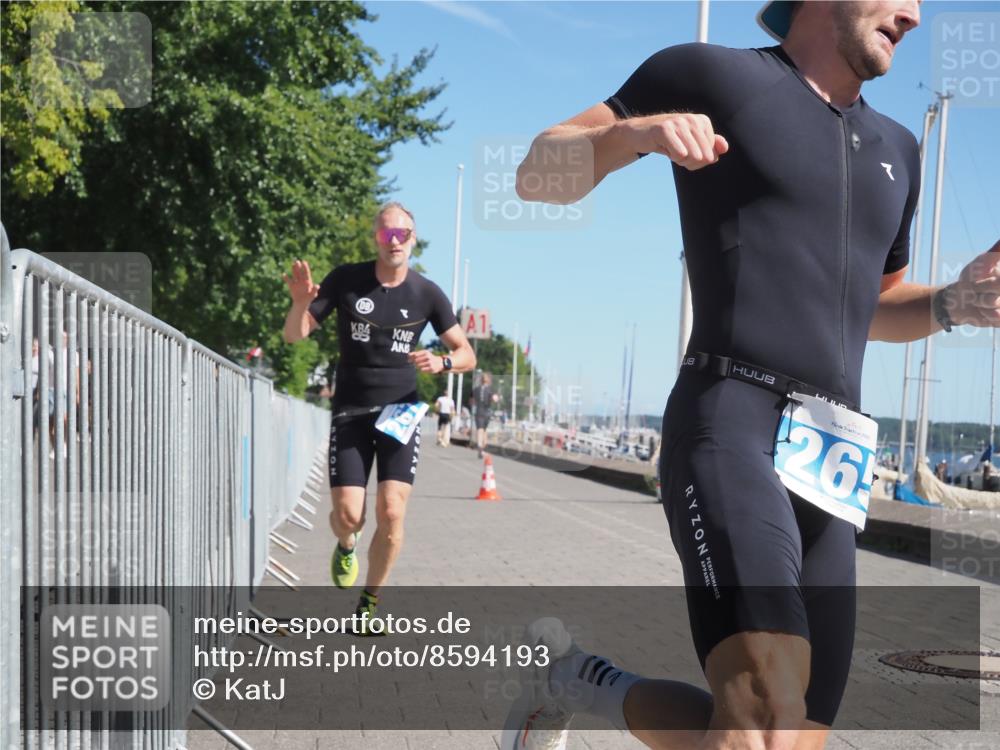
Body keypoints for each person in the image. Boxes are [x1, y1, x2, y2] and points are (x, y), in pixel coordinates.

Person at [506, 2, 1000, 749]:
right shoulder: (709, 73)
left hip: (834, 465)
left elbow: (879, 304)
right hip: (731, 420)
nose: (914, 15)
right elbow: (537, 174)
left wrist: (957, 302)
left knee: (786, 733)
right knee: (766, 711)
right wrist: (633, 135)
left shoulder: (898, 146)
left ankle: (576, 682)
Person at [282, 202, 475, 630]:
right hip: (351, 411)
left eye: (403, 234)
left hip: (401, 412)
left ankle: (369, 603)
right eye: (387, 234)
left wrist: (443, 363)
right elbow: (294, 336)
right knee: (350, 515)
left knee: (391, 511)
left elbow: (467, 353)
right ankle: (346, 543)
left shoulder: (428, 293)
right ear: (376, 238)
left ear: (413, 239)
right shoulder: (346, 280)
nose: (395, 242)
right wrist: (299, 304)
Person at [472, 371, 497, 459]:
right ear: (489, 380)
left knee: (480, 429)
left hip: (479, 410)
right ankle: (481, 447)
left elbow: (472, 401)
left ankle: (480, 446)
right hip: (487, 411)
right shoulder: (491, 389)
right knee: (484, 430)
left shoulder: (476, 389)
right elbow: (495, 399)